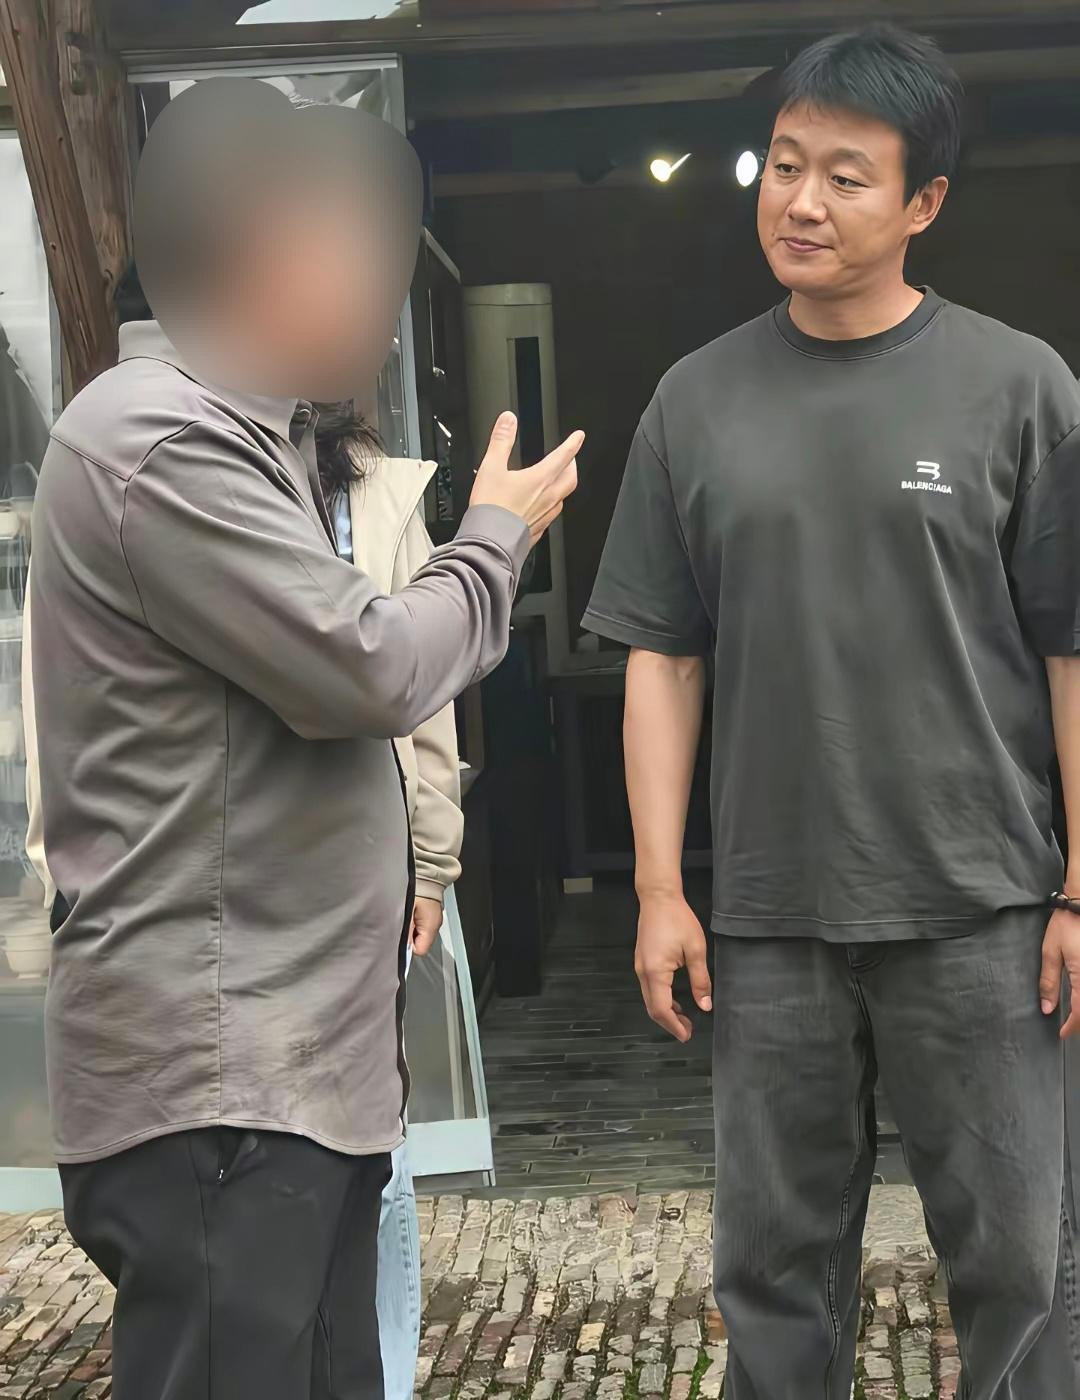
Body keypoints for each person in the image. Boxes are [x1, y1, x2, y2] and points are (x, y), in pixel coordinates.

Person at [26, 79, 583, 1400]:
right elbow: (370, 666)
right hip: (219, 1083)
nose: (385, 303)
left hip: (289, 1077)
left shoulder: (253, 435)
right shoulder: (155, 436)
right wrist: (493, 539)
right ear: (265, 252)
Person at [584, 25, 1080, 1400]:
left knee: (1019, 1263)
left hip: (981, 907)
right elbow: (663, 656)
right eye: (784, 165)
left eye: (846, 176)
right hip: (769, 914)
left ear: (924, 202)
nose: (800, 201)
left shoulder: (1021, 389)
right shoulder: (695, 401)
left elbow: (1071, 649)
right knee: (773, 1267)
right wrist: (660, 890)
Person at [314, 399, 460, 1400]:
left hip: (370, 867)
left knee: (380, 1149)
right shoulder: (185, 463)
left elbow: (426, 694)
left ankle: (387, 1376)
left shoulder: (380, 492)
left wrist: (432, 860)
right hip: (242, 877)